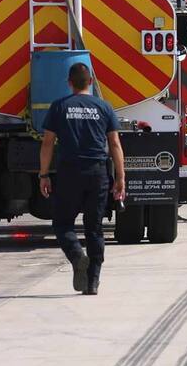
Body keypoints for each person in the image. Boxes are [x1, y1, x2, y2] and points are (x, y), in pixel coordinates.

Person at [38, 62, 126, 295]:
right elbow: (115, 144)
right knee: (94, 228)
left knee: (62, 224)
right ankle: (93, 282)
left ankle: (77, 256)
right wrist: (120, 177)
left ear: (69, 83)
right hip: (98, 172)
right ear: (90, 83)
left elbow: (47, 143)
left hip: (69, 172)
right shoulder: (104, 107)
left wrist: (44, 174)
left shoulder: (59, 107)